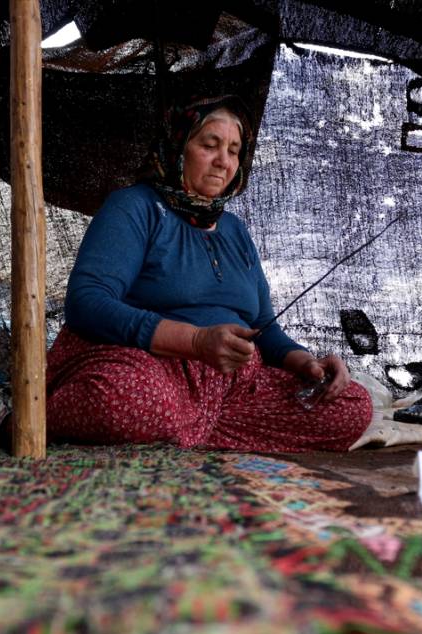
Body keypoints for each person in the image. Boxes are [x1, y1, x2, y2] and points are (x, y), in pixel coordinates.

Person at [46, 95, 372, 451]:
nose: (223, 162)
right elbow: (86, 302)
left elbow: (265, 327)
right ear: (178, 147)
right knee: (128, 401)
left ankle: (186, 427)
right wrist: (197, 343)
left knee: (350, 405)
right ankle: (176, 423)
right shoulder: (135, 207)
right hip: (149, 369)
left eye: (234, 151)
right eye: (209, 145)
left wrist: (307, 363)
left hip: (231, 389)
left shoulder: (235, 231)